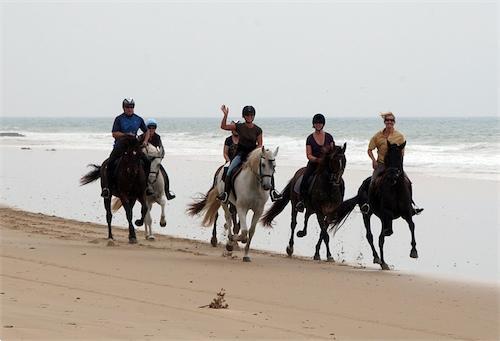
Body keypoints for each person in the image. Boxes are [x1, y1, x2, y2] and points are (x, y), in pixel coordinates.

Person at [217, 104, 282, 204]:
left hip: (254, 155)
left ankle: (273, 191)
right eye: (247, 115)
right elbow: (223, 126)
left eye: (251, 115)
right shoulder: (239, 126)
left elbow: (260, 144)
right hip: (241, 154)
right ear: (244, 116)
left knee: (268, 168)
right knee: (229, 169)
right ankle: (225, 194)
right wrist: (225, 115)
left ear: (254, 116)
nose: (249, 117)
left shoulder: (258, 130)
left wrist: (253, 154)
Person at [366, 111, 423, 215]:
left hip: (395, 166)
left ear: (394, 122)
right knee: (373, 182)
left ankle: (410, 206)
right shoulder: (377, 136)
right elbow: (369, 149)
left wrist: (399, 167)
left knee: (408, 182)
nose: (389, 122)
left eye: (391, 120)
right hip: (382, 164)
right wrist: (373, 161)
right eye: (387, 120)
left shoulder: (400, 136)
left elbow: (401, 154)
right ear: (384, 122)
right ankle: (369, 205)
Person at [101, 98, 152, 199]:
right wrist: (126, 135)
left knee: (147, 161)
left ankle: (146, 186)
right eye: (127, 107)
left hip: (134, 147)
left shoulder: (138, 119)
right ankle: (107, 188)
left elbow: (147, 132)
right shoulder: (119, 119)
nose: (130, 109)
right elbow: (114, 133)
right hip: (120, 147)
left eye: (131, 107)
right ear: (123, 108)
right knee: (110, 162)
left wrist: (145, 141)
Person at [295, 113, 335, 212]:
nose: (318, 125)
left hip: (327, 165)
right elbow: (308, 155)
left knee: (337, 178)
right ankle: (302, 201)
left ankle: (338, 199)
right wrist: (317, 160)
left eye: (320, 123)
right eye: (316, 123)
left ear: (323, 124)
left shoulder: (329, 137)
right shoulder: (310, 138)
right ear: (313, 124)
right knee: (305, 179)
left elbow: (333, 151)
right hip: (314, 164)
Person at [138, 118, 176, 200]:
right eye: (149, 127)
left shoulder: (157, 137)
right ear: (146, 128)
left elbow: (161, 148)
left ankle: (167, 192)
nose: (151, 129)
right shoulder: (141, 137)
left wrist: (160, 156)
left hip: (154, 160)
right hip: (143, 160)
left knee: (164, 174)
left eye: (153, 127)